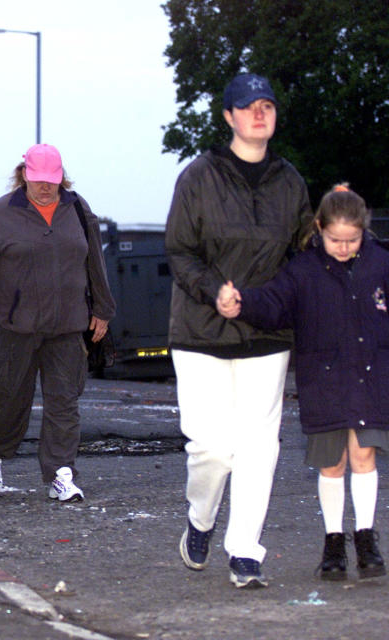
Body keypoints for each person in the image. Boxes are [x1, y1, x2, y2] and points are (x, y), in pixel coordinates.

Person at [166, 73, 313, 589]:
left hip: (266, 333)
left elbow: (304, 254)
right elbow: (179, 250)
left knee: (259, 444)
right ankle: (200, 519)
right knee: (211, 447)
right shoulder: (198, 177)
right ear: (228, 116)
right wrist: (214, 290)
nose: (259, 114)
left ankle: (245, 549)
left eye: (267, 105)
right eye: (248, 106)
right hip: (201, 331)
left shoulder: (291, 182)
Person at [216, 184, 388, 582]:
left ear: (365, 230)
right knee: (332, 463)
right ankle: (333, 542)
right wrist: (241, 303)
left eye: (352, 239)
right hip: (323, 381)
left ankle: (365, 538)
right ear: (319, 229)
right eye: (334, 240)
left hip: (371, 378)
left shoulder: (381, 263)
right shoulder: (303, 271)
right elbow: (274, 303)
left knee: (364, 457)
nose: (343, 247)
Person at [0, 143, 115, 503]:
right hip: (18, 326)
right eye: (38, 179)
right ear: (24, 174)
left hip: (68, 325)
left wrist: (103, 310)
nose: (46, 186)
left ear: (62, 176)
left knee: (64, 402)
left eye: (52, 179)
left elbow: (94, 258)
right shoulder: (3, 212)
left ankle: (61, 474)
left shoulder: (77, 209)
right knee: (11, 400)